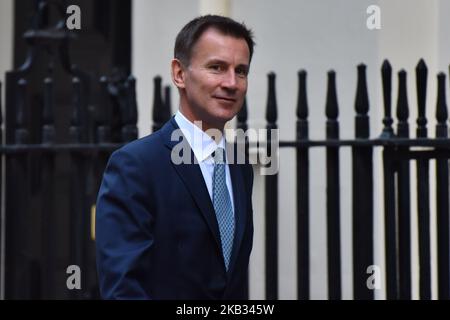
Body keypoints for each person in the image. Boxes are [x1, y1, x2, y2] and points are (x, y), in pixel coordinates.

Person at [95, 15, 255, 299]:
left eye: (240, 71)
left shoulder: (240, 166)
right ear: (179, 74)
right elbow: (124, 290)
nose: (232, 83)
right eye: (217, 67)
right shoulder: (136, 165)